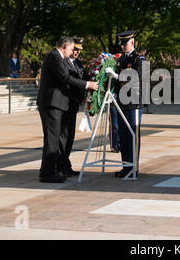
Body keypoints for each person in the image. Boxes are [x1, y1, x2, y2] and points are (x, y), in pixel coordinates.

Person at [37, 36, 98, 183]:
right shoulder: (54, 57)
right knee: (52, 139)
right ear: (65, 45)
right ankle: (47, 173)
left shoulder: (59, 57)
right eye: (72, 48)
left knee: (55, 138)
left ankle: (51, 169)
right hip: (52, 103)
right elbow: (65, 78)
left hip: (58, 104)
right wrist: (87, 85)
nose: (72, 52)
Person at [105, 30, 146, 178]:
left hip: (133, 103)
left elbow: (138, 77)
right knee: (123, 136)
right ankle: (126, 166)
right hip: (121, 103)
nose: (122, 46)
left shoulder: (139, 59)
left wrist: (117, 75)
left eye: (125, 43)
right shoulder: (121, 60)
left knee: (133, 135)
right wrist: (114, 92)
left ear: (132, 42)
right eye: (121, 44)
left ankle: (133, 167)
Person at [61, 37, 90, 177]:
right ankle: (61, 165)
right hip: (64, 103)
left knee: (70, 136)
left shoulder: (77, 63)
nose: (77, 52)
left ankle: (66, 164)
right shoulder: (63, 62)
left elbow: (84, 77)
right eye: (75, 49)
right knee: (64, 136)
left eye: (79, 50)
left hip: (73, 104)